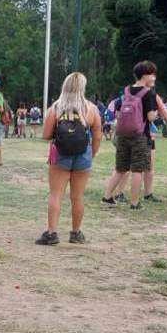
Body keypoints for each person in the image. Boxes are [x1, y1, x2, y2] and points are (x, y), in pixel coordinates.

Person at [36, 72, 102, 245]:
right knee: (78, 197)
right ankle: (76, 233)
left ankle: (51, 233)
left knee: (56, 194)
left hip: (60, 155)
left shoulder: (56, 108)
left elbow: (46, 135)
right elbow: (97, 135)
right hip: (83, 155)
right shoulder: (91, 109)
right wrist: (92, 153)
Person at [102, 61, 167, 209]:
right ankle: (135, 203)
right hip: (140, 135)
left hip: (123, 134)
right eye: (152, 74)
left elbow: (118, 113)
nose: (154, 77)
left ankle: (107, 196)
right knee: (137, 170)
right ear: (145, 75)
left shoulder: (126, 90)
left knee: (120, 169)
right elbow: (150, 117)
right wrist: (156, 113)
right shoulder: (149, 93)